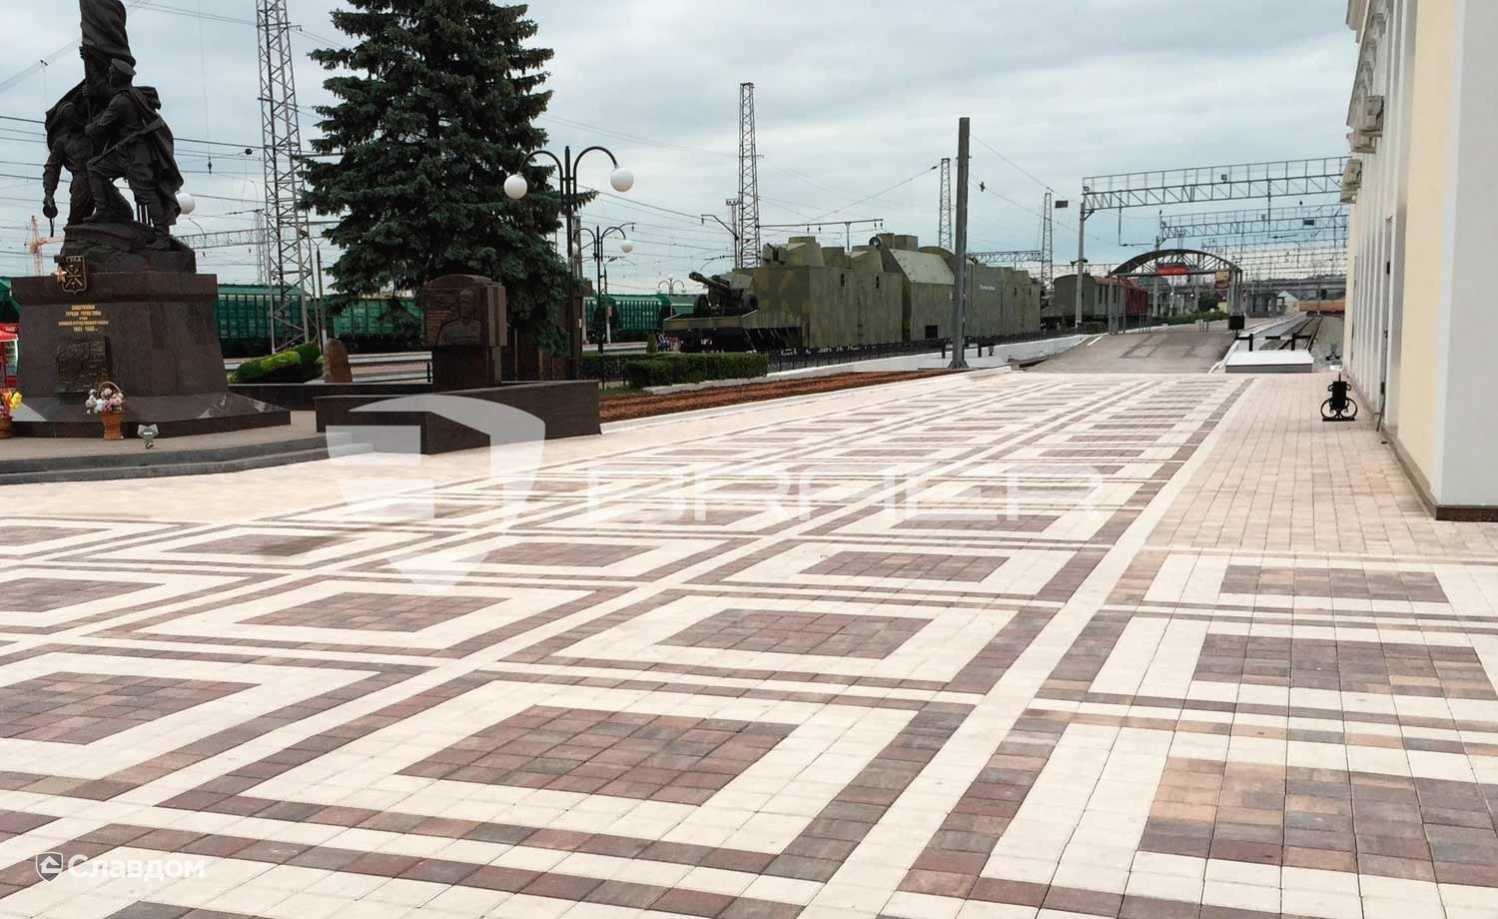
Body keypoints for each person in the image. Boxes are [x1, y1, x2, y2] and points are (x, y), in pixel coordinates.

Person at [85, 59, 182, 230]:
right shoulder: (134, 94)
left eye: (111, 73)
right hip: (128, 151)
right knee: (95, 167)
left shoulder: (120, 101)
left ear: (118, 77)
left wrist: (89, 127)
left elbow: (99, 128)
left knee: (146, 191)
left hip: (134, 154)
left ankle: (162, 233)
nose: (109, 75)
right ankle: (103, 209)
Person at [42, 102, 97, 228]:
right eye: (67, 118)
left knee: (123, 210)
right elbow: (52, 169)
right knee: (76, 222)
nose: (72, 120)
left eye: (73, 116)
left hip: (100, 180)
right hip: (81, 184)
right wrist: (49, 194)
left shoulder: (92, 133)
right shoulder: (62, 143)